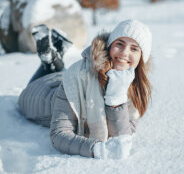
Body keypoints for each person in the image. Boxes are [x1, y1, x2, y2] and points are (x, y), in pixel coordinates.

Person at [18, 19, 152, 159]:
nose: (124, 53)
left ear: (142, 58)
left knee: (59, 73)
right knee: (37, 84)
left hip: (63, 78)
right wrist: (96, 150)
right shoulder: (79, 74)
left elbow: (122, 138)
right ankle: (51, 61)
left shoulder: (136, 87)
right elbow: (59, 135)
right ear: (109, 45)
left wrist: (116, 98)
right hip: (41, 96)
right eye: (120, 44)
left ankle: (54, 59)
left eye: (134, 48)